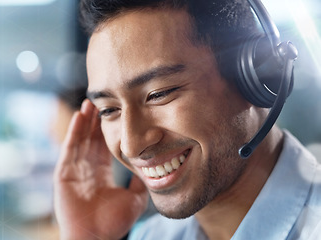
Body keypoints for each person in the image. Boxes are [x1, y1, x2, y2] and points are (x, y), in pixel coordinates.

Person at [53, 0, 321, 239]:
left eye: (159, 94)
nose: (131, 146)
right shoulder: (151, 235)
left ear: (256, 76)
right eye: (109, 110)